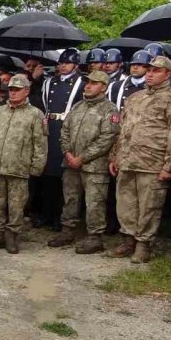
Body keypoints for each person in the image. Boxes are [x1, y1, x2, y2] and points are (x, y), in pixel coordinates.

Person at [108, 56, 171, 263]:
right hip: (127, 160)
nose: (150, 74)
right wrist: (115, 155)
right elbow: (123, 129)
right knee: (125, 204)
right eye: (149, 70)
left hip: (153, 162)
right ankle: (128, 239)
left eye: (156, 71)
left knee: (149, 206)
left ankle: (143, 244)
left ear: (167, 74)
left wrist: (170, 165)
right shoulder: (135, 97)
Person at [47, 71, 120, 254]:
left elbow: (107, 138)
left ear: (103, 87)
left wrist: (82, 158)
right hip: (71, 163)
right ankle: (67, 231)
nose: (88, 86)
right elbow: (64, 131)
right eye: (87, 82)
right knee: (70, 198)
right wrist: (68, 153)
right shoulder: (78, 106)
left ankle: (95, 237)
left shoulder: (109, 109)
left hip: (94, 167)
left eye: (94, 83)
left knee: (95, 202)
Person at [0, 75, 48, 254]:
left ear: (26, 91)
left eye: (17, 89)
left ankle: (12, 236)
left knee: (16, 206)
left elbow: (40, 143)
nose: (13, 92)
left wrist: (36, 166)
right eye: (11, 89)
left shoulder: (35, 114)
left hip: (19, 168)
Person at [37, 48, 85, 231]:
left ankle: (60, 216)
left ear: (76, 65)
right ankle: (45, 214)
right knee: (47, 174)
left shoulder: (81, 82)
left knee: (62, 176)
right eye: (61, 62)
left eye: (67, 63)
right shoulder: (50, 82)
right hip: (50, 127)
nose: (63, 66)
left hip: (67, 128)